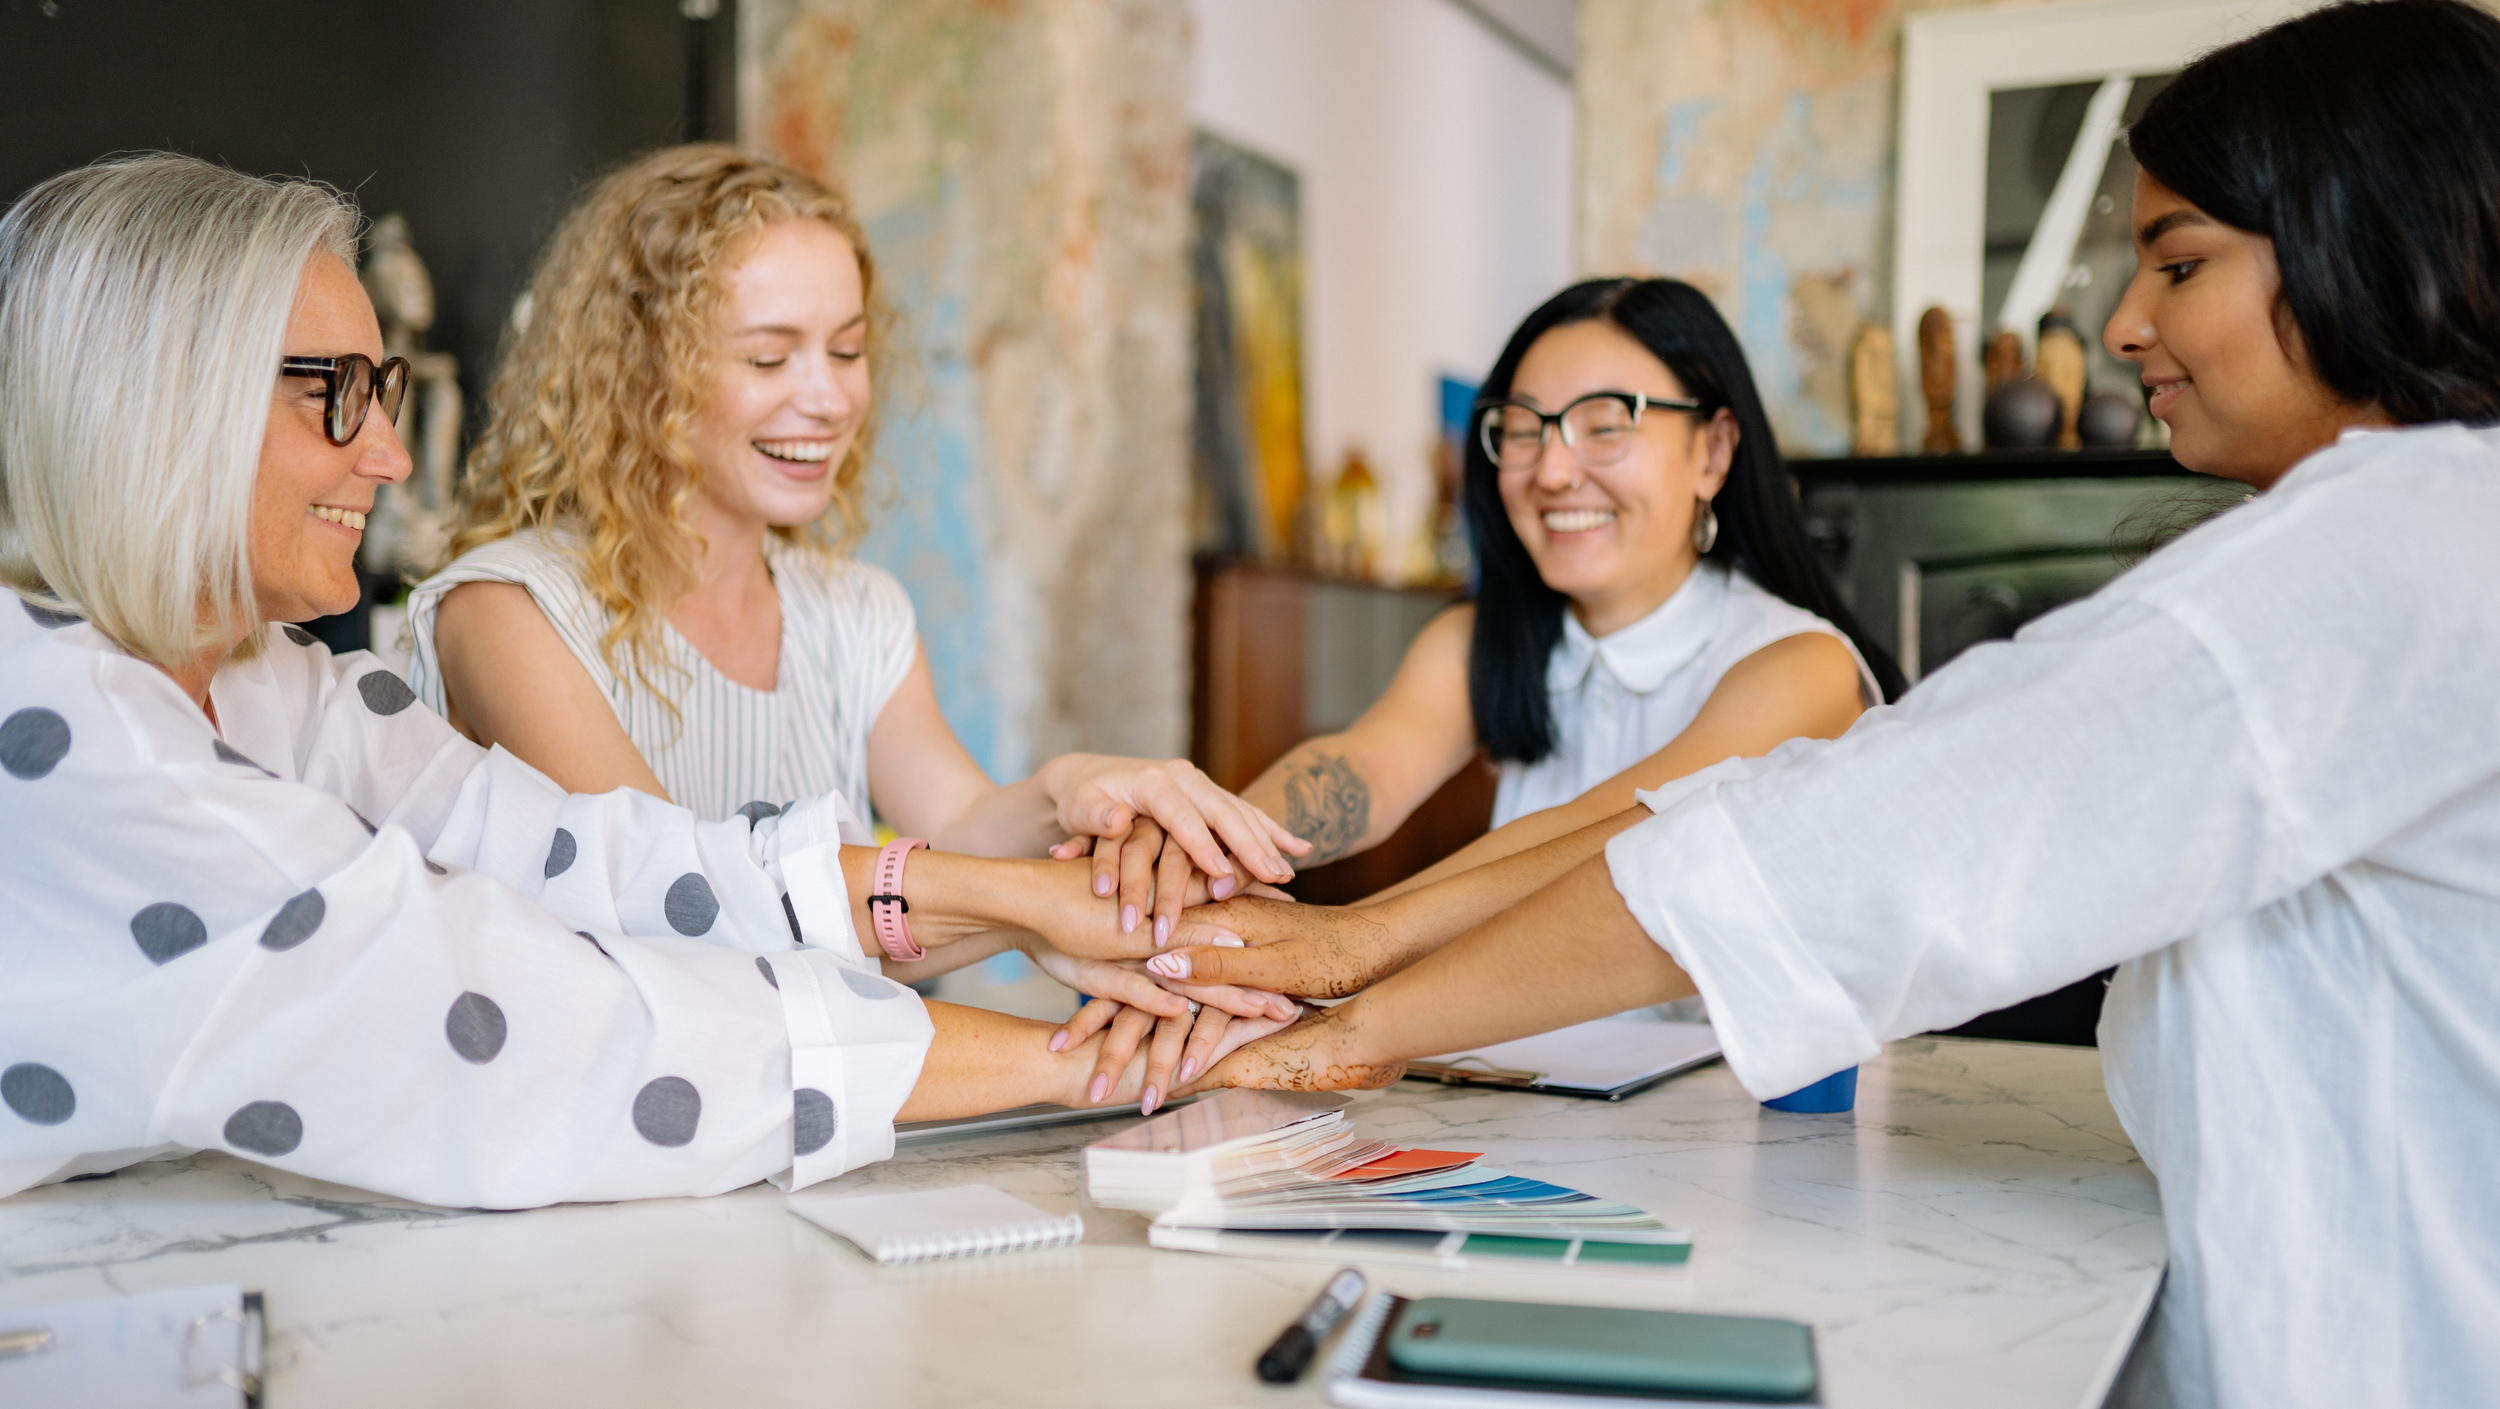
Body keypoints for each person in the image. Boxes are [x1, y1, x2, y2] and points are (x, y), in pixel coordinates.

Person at [1156, 4, 2500, 1403]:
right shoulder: (2425, 534)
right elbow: (1353, 778)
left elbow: (1791, 847)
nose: (2121, 322)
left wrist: (1353, 989)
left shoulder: (2376, 557)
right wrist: (1201, 862)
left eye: (2179, 260)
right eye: (1521, 432)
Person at [0, 153, 1286, 1208]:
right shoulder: (70, 730)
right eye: (336, 393)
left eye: (380, 389)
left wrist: (1051, 880)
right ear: (156, 403)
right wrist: (1081, 1056)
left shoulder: (286, 689)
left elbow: (610, 859)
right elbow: (542, 1015)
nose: (389, 453)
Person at [401, 146, 1297, 1088]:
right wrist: (1034, 911)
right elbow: (687, 911)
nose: (828, 398)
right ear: (637, 371)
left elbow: (952, 828)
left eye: (847, 348)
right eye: (768, 355)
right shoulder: (506, 612)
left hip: (803, 1148)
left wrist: (1076, 793)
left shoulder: (858, 613)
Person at [1235, 278, 1899, 898]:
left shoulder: (1802, 664)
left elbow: (1593, 837)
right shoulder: (1482, 637)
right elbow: (1367, 768)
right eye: (1524, 429)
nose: (1551, 471)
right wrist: (1211, 843)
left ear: (1713, 453)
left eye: (1606, 425)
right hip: (1527, 1029)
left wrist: (1332, 948)